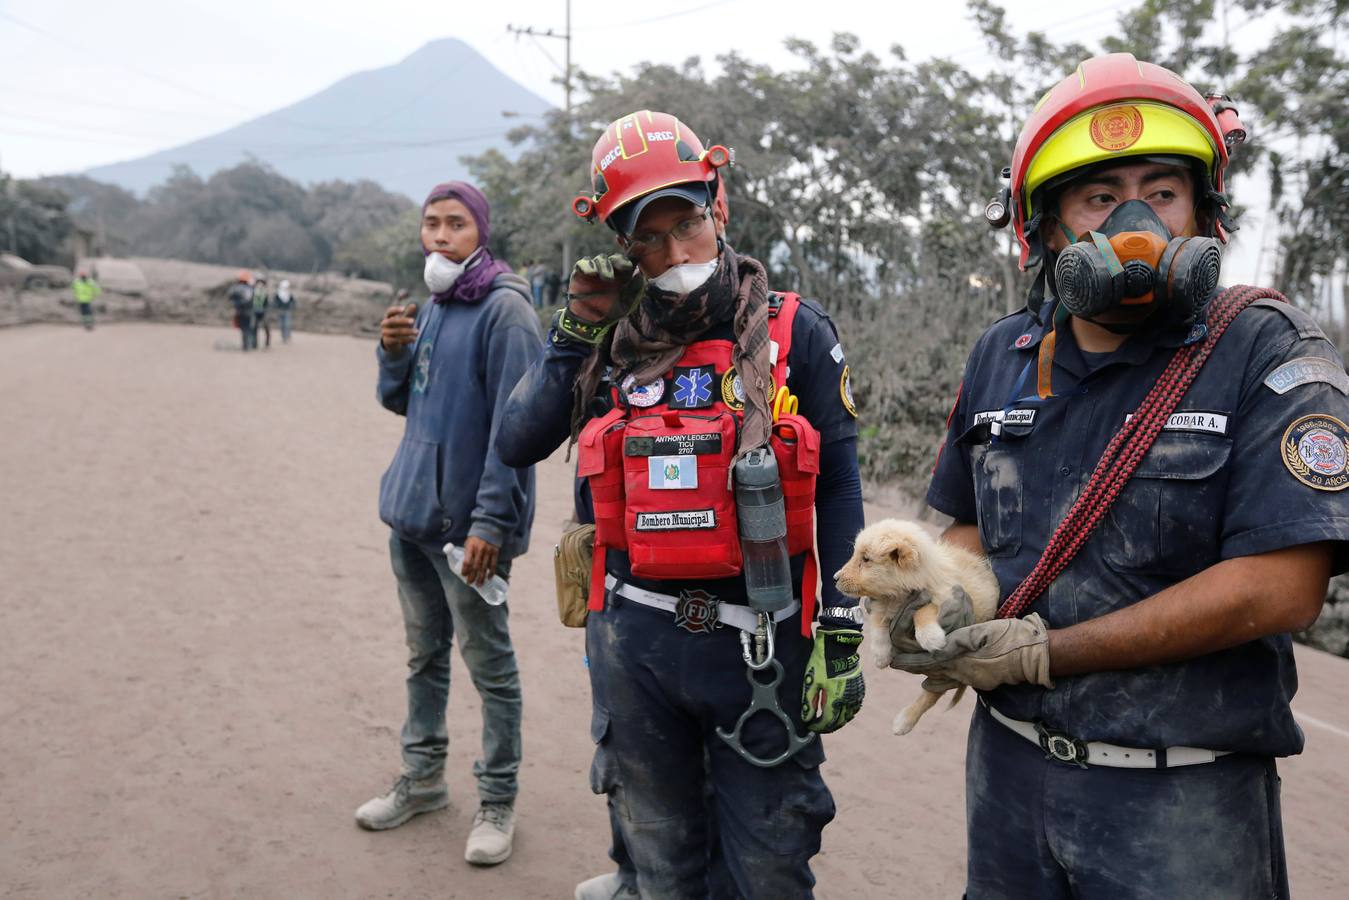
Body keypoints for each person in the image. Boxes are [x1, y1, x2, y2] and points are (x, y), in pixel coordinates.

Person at [890, 52, 1349, 898]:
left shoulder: (1267, 349)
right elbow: (963, 531)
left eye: (1161, 191)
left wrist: (1044, 655)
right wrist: (933, 607)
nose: (1136, 221)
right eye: (1101, 197)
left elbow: (1279, 588)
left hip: (1182, 802)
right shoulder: (1004, 352)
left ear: (1201, 213)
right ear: (1047, 226)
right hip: (1008, 777)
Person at [497, 111, 866, 899]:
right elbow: (516, 441)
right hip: (635, 649)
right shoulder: (605, 337)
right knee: (660, 863)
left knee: (766, 869)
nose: (674, 254)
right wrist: (577, 327)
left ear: (719, 205)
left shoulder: (791, 330)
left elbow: (836, 480)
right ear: (623, 244)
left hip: (761, 651)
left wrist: (841, 623)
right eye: (649, 239)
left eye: (687, 224)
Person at [355, 180, 540, 868]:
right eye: (430, 224)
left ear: (480, 232)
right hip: (411, 518)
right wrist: (393, 350)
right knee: (423, 656)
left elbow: (513, 433)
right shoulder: (434, 305)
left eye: (454, 224)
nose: (439, 236)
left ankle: (497, 799)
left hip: (469, 532)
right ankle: (423, 779)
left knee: (489, 666)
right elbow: (400, 402)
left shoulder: (505, 312)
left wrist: (491, 521)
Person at [228, 271, 255, 350]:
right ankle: (248, 345)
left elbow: (230, 297)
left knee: (244, 329)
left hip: (240, 311)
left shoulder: (236, 288)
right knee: (248, 329)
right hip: (248, 312)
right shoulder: (250, 289)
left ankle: (246, 345)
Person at [251, 275, 271, 349]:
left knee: (266, 327)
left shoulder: (265, 292)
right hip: (255, 311)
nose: (260, 284)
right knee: (254, 328)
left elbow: (267, 303)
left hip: (263, 311)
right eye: (258, 282)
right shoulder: (253, 291)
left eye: (261, 282)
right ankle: (254, 343)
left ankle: (267, 343)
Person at [274, 279, 295, 344]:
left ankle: (286, 337)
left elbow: (293, 302)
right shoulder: (278, 294)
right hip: (280, 311)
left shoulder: (289, 294)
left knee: (286, 324)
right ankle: (283, 337)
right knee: (281, 325)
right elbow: (275, 302)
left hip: (287, 311)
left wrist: (291, 306)